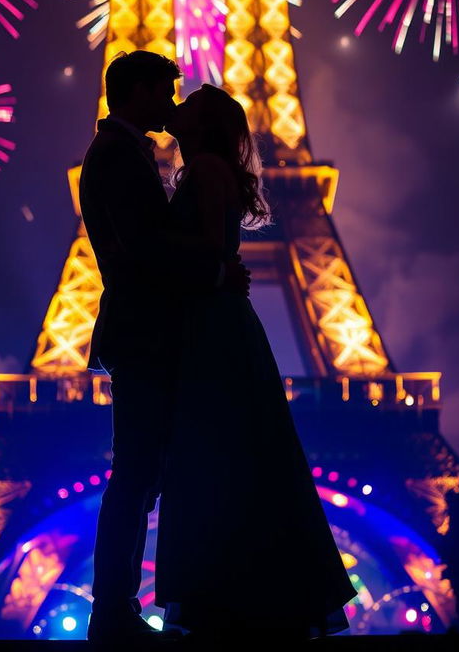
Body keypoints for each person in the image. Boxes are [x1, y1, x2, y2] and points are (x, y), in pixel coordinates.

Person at [154, 83, 357, 643]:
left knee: (215, 459)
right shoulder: (208, 168)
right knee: (239, 459)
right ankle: (251, 593)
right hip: (219, 321)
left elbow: (206, 251)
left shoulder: (206, 171)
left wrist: (204, 272)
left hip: (213, 324)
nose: (181, 101)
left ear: (206, 124)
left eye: (192, 101)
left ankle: (225, 595)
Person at [80, 52, 250, 646]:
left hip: (151, 332)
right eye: (167, 91)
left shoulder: (125, 153)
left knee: (143, 474)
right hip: (147, 335)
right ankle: (115, 610)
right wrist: (215, 275)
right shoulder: (118, 156)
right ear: (142, 90)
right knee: (136, 475)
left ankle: (121, 607)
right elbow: (147, 247)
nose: (173, 104)